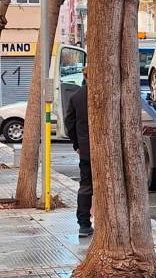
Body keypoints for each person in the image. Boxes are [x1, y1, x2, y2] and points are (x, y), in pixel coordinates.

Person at [65, 67, 92, 237]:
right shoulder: (107, 94)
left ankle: (84, 224)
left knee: (86, 186)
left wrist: (77, 145)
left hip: (86, 150)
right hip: (108, 153)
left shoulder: (76, 97)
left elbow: (70, 124)